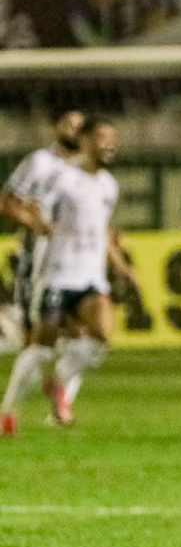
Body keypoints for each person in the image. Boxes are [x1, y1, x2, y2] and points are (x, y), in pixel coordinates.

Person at [4, 117, 137, 433]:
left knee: (100, 337)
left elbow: (102, 230)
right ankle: (8, 411)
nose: (109, 145)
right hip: (57, 274)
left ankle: (60, 383)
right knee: (40, 348)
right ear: (87, 141)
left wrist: (121, 267)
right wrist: (38, 223)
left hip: (91, 276)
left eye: (112, 138)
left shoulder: (108, 185)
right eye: (103, 138)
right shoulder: (62, 177)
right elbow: (34, 205)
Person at [0, 109, 85, 435]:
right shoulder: (39, 162)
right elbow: (8, 203)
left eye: (80, 127)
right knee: (36, 339)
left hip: (78, 264)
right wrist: (36, 224)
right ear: (56, 127)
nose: (74, 132)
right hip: (40, 260)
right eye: (68, 125)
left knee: (88, 336)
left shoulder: (84, 169)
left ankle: (61, 400)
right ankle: (14, 410)